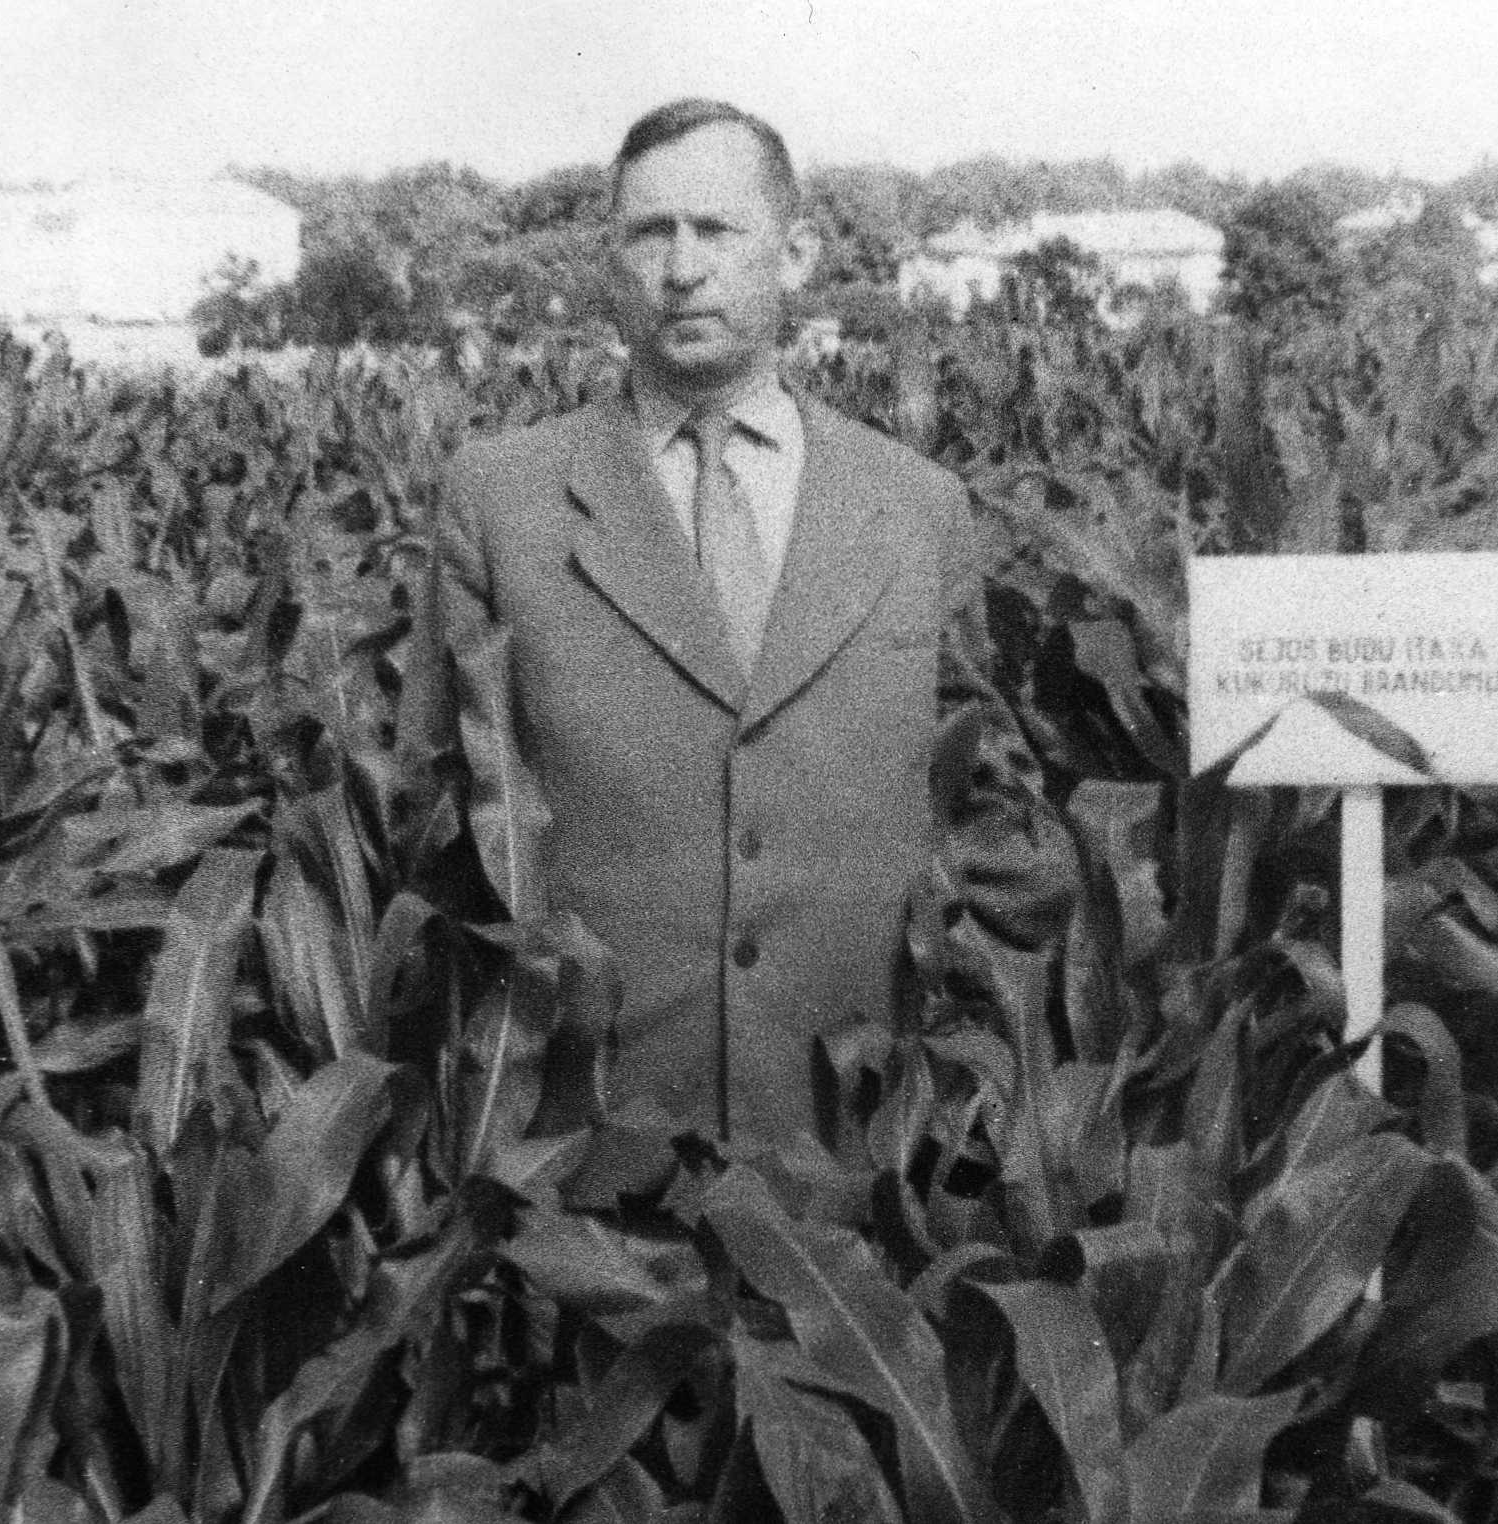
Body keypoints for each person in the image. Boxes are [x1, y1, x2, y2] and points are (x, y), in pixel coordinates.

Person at [427, 99, 1055, 1148]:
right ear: (608, 261)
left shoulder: (916, 507)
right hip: (581, 1154)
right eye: (648, 233)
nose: (682, 268)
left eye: (716, 230)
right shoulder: (502, 501)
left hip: (854, 1146)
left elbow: (989, 811)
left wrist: (956, 1077)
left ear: (796, 250)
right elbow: (434, 817)